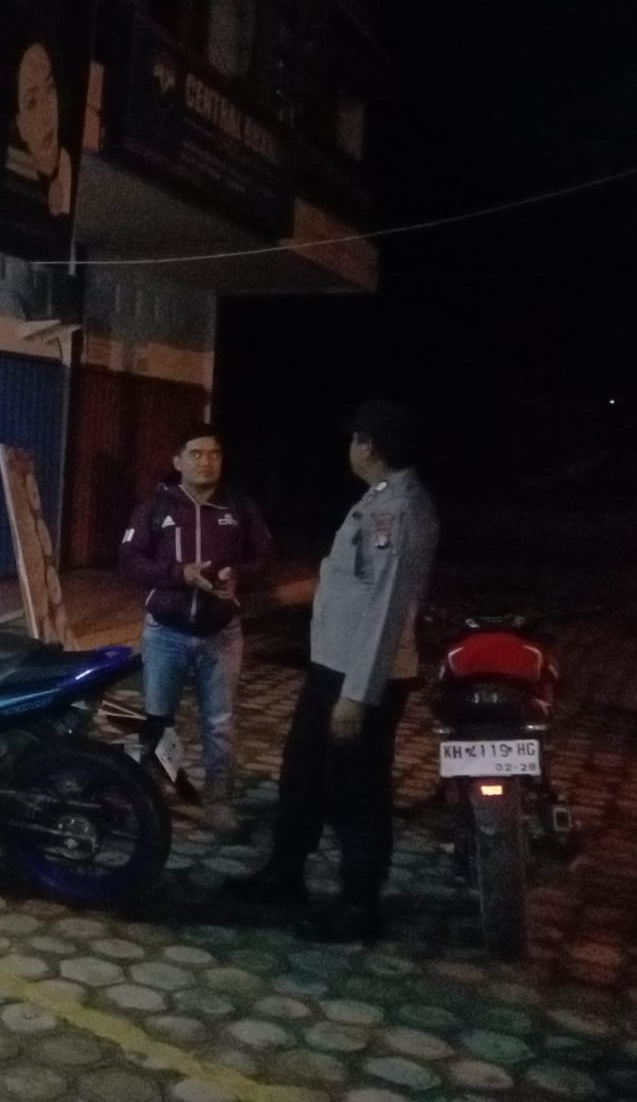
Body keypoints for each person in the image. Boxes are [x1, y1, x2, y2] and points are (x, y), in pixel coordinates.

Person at [225, 400, 439, 943]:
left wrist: (357, 695)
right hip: (331, 667)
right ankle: (285, 874)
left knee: (356, 793)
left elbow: (386, 608)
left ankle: (359, 906)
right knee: (303, 775)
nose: (351, 448)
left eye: (356, 439)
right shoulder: (379, 498)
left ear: (370, 446)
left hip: (360, 679)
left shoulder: (399, 511)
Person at [120, 423, 273, 824]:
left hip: (221, 634)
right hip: (165, 633)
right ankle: (154, 794)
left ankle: (219, 802)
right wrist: (179, 574)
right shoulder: (155, 508)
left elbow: (264, 558)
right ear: (178, 461)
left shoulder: (239, 508)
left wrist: (239, 576)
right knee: (158, 721)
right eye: (196, 454)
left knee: (219, 725)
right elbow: (129, 561)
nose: (206, 462)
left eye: (214, 454)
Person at [13, 42, 73, 217]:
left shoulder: (70, 166)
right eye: (32, 102)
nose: (46, 113)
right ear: (21, 126)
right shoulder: (21, 193)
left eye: (50, 88)